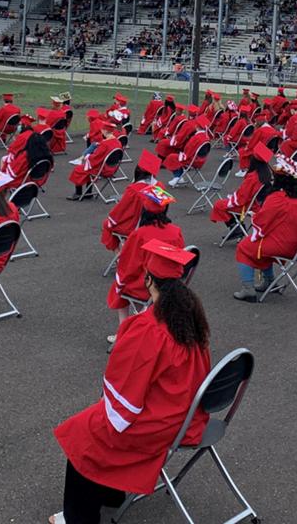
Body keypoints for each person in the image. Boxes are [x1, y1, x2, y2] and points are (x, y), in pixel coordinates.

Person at [52, 241, 211, 524]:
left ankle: (78, 518)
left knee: (84, 434)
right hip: (186, 414)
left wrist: (104, 412)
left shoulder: (148, 328)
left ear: (148, 279)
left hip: (162, 421)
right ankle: (111, 494)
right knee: (95, 425)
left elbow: (123, 393)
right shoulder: (190, 319)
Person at [106, 184, 184, 343]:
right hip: (169, 283)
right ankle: (145, 317)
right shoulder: (175, 231)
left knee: (118, 286)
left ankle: (123, 330)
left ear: (144, 210)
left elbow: (129, 264)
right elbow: (178, 257)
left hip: (145, 285)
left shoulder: (140, 234)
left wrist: (121, 280)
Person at [233, 154, 297, 302]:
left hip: (281, 244)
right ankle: (269, 281)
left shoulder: (278, 198)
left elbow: (262, 222)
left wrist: (254, 216)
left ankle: (248, 289)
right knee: (261, 245)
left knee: (244, 247)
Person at [100, 149, 161, 251]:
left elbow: (120, 210)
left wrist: (111, 220)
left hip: (134, 226)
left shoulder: (133, 190)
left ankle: (122, 257)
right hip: (154, 224)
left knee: (107, 224)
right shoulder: (159, 186)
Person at [210, 142, 272, 226]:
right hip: (257, 204)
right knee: (227, 202)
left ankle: (235, 227)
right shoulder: (267, 174)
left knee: (219, 205)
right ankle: (236, 226)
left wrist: (231, 199)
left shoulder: (253, 177)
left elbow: (241, 198)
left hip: (248, 206)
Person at [68, 122, 122, 200]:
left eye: (102, 130)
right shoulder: (118, 142)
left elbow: (95, 158)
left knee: (78, 169)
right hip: (112, 169)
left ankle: (78, 193)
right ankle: (88, 192)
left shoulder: (105, 144)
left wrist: (87, 156)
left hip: (102, 169)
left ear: (105, 131)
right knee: (88, 169)